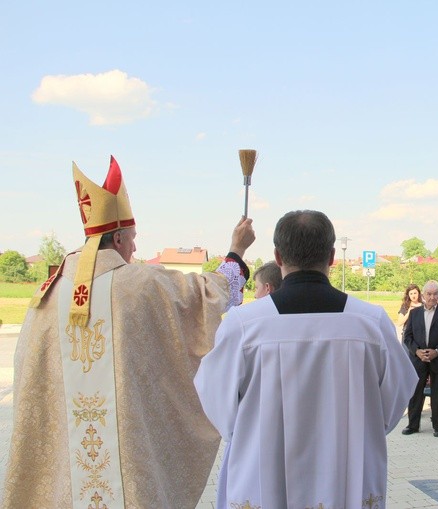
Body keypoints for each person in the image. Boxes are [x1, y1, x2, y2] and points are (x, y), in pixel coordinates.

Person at [1, 156, 255, 508]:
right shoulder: (138, 285)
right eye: (133, 239)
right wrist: (236, 249)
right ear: (118, 237)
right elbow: (206, 295)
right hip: (127, 469)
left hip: (64, 472)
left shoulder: (47, 293)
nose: (135, 248)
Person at [194, 210, 417, 509]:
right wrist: (358, 429)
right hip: (347, 472)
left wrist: (254, 430)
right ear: (332, 256)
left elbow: (217, 401)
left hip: (265, 471)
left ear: (278, 256)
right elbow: (394, 401)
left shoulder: (244, 325)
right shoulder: (370, 323)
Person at [401, 280, 438, 437]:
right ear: (423, 295)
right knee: (415, 393)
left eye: (435, 294)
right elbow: (408, 337)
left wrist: (437, 351)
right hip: (418, 359)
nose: (432, 297)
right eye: (429, 294)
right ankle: (413, 425)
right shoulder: (414, 313)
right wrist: (417, 351)